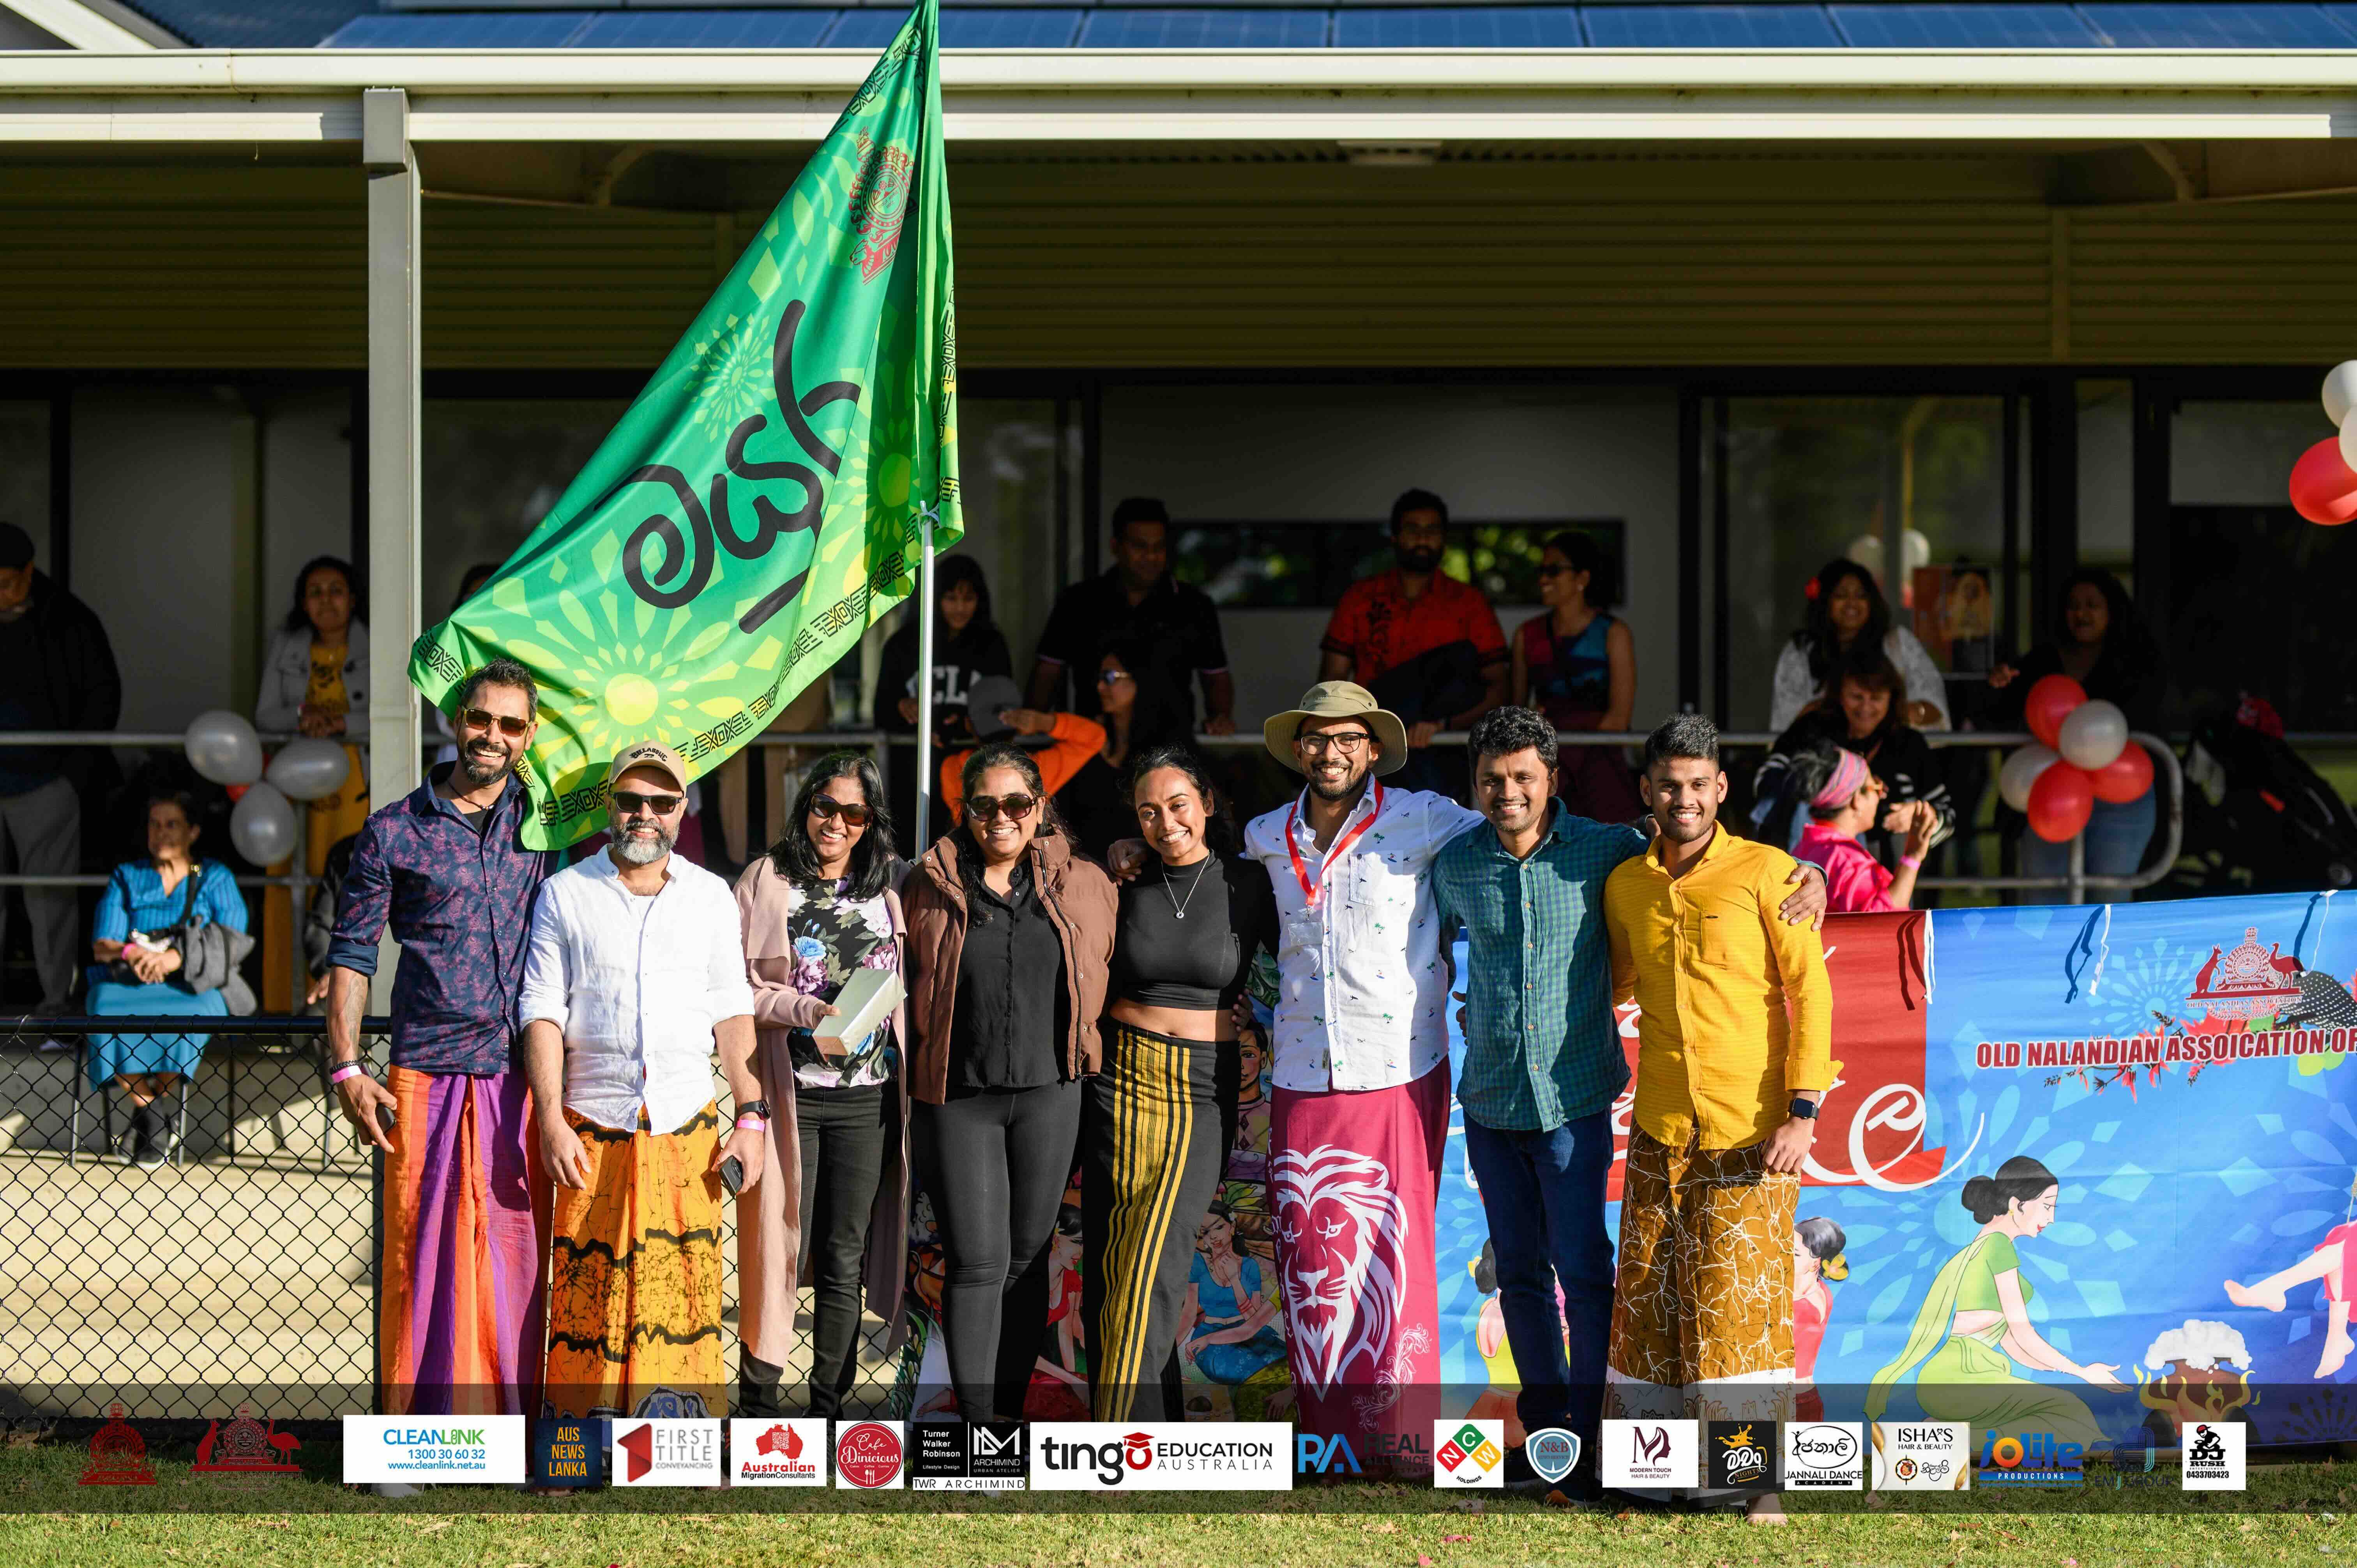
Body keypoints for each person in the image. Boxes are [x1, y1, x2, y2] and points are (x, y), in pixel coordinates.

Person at [1432, 708, 1824, 1489]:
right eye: (1492, 778)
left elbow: (1801, 976)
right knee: (1576, 1287)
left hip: (1656, 1112)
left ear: (1552, 780)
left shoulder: (1633, 854)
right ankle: (1582, 1458)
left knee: (1660, 1287)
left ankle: (1720, 1473)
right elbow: (1574, 969)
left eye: (1524, 777)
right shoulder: (1488, 866)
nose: (1507, 791)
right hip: (1565, 1111)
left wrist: (1807, 872)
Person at [1234, 679, 1480, 1473]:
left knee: (1394, 1256)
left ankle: (1404, 1446)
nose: (1331, 752)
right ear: (1298, 748)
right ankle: (1329, 1443)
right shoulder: (1264, 834)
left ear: (1373, 748)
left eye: (1348, 738)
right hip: (1301, 1069)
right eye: (1317, 737)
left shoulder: (1429, 815)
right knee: (1311, 1261)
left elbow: (1528, 836)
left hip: (1401, 1066)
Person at [1603, 714, 1835, 1523]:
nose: (1685, 798)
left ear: (1722, 788)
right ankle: (1648, 1476)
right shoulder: (1628, 883)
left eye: (1700, 783)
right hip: (1661, 1129)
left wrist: (1803, 1111)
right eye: (1670, 784)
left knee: (1740, 1306)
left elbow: (1812, 995)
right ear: (1648, 790)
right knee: (1648, 1298)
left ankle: (1753, 1482)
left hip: (1755, 1133)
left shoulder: (1772, 874)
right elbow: (1618, 982)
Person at [323, 658, 556, 1429]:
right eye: (481, 717)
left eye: (511, 723)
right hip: (421, 1070)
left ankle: (510, 1433)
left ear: (529, 736)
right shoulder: (394, 828)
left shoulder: (550, 825)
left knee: (517, 1259)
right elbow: (352, 952)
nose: (493, 734)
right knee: (415, 1259)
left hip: (524, 1073)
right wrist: (347, 1066)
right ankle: (410, 1441)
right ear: (457, 720)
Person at [522, 741, 763, 1421]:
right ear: (609, 806)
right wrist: (548, 1117)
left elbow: (732, 1006)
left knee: (681, 1284)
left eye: (661, 801)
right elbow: (540, 1007)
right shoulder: (564, 893)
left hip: (686, 1122)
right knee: (585, 1285)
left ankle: (675, 1441)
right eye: (631, 799)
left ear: (682, 810)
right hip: (590, 1126)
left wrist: (751, 1115)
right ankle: (579, 1440)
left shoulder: (711, 894)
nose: (644, 814)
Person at [901, 743, 1117, 1421]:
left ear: (1039, 807)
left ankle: (1008, 1415)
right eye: (985, 805)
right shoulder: (928, 883)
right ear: (963, 811)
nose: (1001, 817)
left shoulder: (1085, 881)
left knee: (1026, 1256)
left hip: (1051, 1092)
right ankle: (978, 1420)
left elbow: (1118, 961)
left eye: (1016, 803)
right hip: (959, 1096)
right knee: (977, 1257)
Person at [1085, 744, 1277, 1421]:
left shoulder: (1250, 883)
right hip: (1120, 1074)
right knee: (1121, 1250)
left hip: (1202, 1083)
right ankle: (1154, 1427)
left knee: (1159, 1253)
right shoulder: (1122, 878)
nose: (1165, 822)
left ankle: (1115, 1433)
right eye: (1147, 811)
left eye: (1176, 805)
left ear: (1207, 804)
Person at [732, 751, 911, 1419]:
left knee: (843, 1254)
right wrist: (801, 1009)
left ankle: (828, 1412)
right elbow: (735, 985)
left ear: (870, 822)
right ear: (805, 805)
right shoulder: (768, 878)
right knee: (776, 1246)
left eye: (852, 812)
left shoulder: (888, 889)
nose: (835, 821)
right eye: (824, 806)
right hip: (790, 1094)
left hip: (867, 1096)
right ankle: (757, 1410)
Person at [1867, 1156, 2124, 1453]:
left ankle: (1939, 1432)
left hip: (1964, 1375)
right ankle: (1933, 1439)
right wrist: (2082, 1372)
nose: (2052, 1218)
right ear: (2018, 1204)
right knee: (2065, 1412)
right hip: (1959, 1377)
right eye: (2047, 1205)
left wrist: (2066, 1372)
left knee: (2063, 1407)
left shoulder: (1985, 1246)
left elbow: (2014, 1344)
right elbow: (2023, 1331)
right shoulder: (1997, 1246)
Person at [86, 787, 249, 1167]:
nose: (161, 833)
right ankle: (154, 1112)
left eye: (172, 824)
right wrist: (132, 952)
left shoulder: (215, 877)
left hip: (191, 986)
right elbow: (103, 944)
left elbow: (234, 937)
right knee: (102, 1008)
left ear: (193, 832)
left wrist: (177, 958)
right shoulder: (127, 876)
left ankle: (149, 1120)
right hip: (131, 983)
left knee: (193, 1018)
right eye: (155, 825)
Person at [0, 519, 121, 1016]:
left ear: (29, 572)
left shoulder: (69, 618)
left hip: (46, 782)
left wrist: (72, 774)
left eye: (5, 583)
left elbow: (103, 694)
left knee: (49, 901)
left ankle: (55, 1007)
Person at [1319, 490, 1507, 789]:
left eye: (1432, 530)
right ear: (1395, 537)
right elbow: (1332, 682)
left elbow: (1498, 687)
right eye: (1412, 529)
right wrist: (1348, 735)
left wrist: (1444, 726)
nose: (1422, 538)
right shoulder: (1361, 598)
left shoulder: (1469, 603)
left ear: (1444, 538)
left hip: (1445, 741)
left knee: (1459, 659)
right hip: (1374, 734)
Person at [1989, 569, 2164, 882]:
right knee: (2046, 903)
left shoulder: (2138, 660)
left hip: (2120, 796)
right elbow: (2003, 710)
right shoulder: (2041, 659)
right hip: (2050, 792)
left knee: (2109, 899)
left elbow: (2146, 717)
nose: (2081, 613)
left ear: (2112, 611)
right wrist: (2000, 683)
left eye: (2092, 605)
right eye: (2073, 605)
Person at [256, 555, 371, 1012]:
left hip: (355, 784)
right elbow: (264, 714)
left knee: (348, 888)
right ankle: (285, 1005)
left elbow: (397, 709)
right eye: (316, 592)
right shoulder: (286, 644)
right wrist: (305, 718)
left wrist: (342, 721)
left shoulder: (376, 640)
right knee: (292, 886)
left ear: (354, 598)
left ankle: (347, 1009)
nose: (327, 600)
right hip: (295, 788)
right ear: (303, 602)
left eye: (336, 590)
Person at [1028, 498, 1235, 743]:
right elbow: (1047, 674)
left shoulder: (1194, 606)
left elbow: (1216, 678)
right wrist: (1032, 726)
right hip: (1093, 751)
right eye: (1140, 546)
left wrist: (1221, 718)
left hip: (1172, 753)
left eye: (1159, 547)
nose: (1151, 556)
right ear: (1116, 546)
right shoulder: (1078, 602)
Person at [1755, 653, 1954, 862]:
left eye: (1876, 699)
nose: (1866, 707)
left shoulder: (1909, 744)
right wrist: (1818, 789)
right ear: (1839, 695)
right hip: (1811, 862)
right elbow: (1765, 781)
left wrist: (1922, 817)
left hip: (1887, 873)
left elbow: (1948, 816)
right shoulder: (1812, 730)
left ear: (1892, 699)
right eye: (1857, 697)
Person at [1510, 530, 1641, 823]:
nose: (1543, 579)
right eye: (1541, 571)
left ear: (1582, 579)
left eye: (1554, 571)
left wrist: (1551, 726)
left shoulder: (1614, 634)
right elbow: (1515, 715)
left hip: (1601, 766)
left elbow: (1618, 719)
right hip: (1546, 766)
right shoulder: (1526, 636)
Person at [1769, 557, 1949, 733]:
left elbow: (1935, 709)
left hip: (1889, 756)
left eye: (1861, 596)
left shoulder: (1898, 643)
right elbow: (1786, 725)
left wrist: (1907, 713)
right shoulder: (1800, 651)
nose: (1852, 603)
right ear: (1825, 601)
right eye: (1841, 595)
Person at [1769, 742, 1938, 913]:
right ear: (1857, 799)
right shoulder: (1845, 859)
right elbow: (1883, 922)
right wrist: (1912, 858)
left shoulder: (1809, 845)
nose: (1882, 795)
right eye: (1877, 789)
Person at [875, 552, 1013, 750]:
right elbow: (881, 714)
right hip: (912, 766)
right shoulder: (903, 644)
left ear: (980, 600)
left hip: (974, 765)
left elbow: (1006, 712)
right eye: (950, 598)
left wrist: (970, 721)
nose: (960, 608)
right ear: (935, 598)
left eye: (968, 599)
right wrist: (902, 707)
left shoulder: (993, 646)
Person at [1053, 643, 1176, 859]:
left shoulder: (1165, 749)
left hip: (1144, 869)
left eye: (1111, 677)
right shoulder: (1088, 738)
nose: (1101, 686)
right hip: (1085, 870)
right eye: (1100, 677)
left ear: (1139, 679)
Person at [937, 675, 1105, 823]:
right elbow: (1095, 737)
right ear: (1018, 725)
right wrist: (1044, 723)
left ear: (968, 724)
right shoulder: (1036, 769)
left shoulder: (954, 767)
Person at [1792, 1216, 1848, 1424]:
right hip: (1798, 1397)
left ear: (1816, 1262)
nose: (1784, 1257)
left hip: (1795, 1401)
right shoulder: (1819, 1291)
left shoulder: (1805, 1304)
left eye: (1795, 1254)